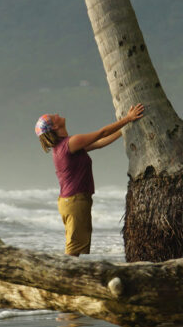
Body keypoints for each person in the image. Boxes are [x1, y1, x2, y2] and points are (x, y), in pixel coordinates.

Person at [35, 103, 145, 257]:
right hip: (74, 201)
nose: (57, 114)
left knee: (75, 247)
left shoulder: (65, 146)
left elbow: (100, 143)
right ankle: (65, 278)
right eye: (54, 117)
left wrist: (125, 128)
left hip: (72, 201)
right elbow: (102, 133)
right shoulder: (70, 143)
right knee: (73, 250)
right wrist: (128, 118)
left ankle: (67, 276)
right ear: (54, 127)